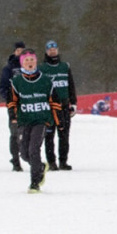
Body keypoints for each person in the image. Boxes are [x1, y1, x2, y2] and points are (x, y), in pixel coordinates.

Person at [6, 49, 61, 193]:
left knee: (33, 150)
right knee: (24, 153)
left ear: (36, 61)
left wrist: (58, 120)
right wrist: (13, 116)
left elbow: (55, 101)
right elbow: (11, 102)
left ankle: (34, 183)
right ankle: (40, 167)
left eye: (32, 60)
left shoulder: (46, 80)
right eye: (26, 60)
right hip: (24, 121)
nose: (29, 63)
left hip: (41, 120)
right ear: (22, 63)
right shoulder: (16, 82)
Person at [40, 40, 77, 171]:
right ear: (46, 51)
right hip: (49, 107)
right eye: (49, 49)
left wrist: (74, 103)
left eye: (54, 48)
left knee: (64, 134)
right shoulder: (42, 68)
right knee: (49, 136)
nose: (52, 51)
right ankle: (51, 162)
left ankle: (63, 161)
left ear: (58, 50)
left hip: (64, 105)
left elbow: (71, 85)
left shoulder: (65, 66)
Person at [0, 41, 25, 171]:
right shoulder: (8, 68)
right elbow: (3, 87)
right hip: (14, 106)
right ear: (15, 52)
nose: (20, 53)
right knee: (15, 133)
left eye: (22, 50)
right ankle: (15, 160)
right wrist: (10, 100)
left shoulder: (30, 66)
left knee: (28, 133)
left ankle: (28, 156)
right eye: (18, 50)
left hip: (28, 104)